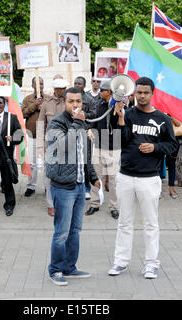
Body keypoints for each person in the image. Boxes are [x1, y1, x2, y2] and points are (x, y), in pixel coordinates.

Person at [108, 77, 178, 279]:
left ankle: (151, 263)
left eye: (146, 92)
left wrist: (155, 147)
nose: (142, 96)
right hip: (126, 176)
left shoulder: (162, 119)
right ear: (134, 93)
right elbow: (118, 141)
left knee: (150, 223)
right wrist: (120, 119)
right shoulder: (127, 114)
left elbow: (172, 146)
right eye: (138, 92)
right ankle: (120, 261)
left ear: (152, 93)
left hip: (149, 178)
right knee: (124, 222)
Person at [45, 87, 100, 286]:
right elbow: (63, 147)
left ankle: (70, 267)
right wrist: (78, 123)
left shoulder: (82, 123)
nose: (76, 105)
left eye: (78, 102)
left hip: (78, 185)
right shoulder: (56, 123)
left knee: (75, 230)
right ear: (65, 103)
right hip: (62, 186)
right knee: (61, 232)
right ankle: (55, 269)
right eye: (71, 102)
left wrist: (92, 176)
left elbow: (84, 154)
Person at [85, 80, 120, 219]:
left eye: (102, 90)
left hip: (114, 146)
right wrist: (88, 128)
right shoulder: (98, 104)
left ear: (109, 92)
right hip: (99, 145)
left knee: (113, 179)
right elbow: (92, 119)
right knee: (97, 176)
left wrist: (119, 108)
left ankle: (114, 206)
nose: (99, 92)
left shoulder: (119, 106)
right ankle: (95, 203)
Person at [37, 78, 69, 216]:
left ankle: (63, 203)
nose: (63, 91)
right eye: (61, 89)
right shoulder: (46, 105)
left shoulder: (69, 103)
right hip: (50, 145)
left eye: (64, 88)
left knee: (65, 174)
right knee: (49, 175)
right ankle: (51, 204)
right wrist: (40, 145)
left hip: (67, 144)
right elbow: (40, 125)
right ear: (55, 90)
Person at [22, 77, 51, 197]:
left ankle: (47, 186)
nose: (40, 85)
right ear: (32, 85)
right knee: (33, 163)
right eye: (37, 83)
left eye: (42, 83)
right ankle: (31, 186)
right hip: (32, 134)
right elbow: (23, 113)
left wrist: (42, 107)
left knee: (46, 162)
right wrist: (35, 105)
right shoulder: (27, 99)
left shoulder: (49, 99)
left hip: (45, 135)